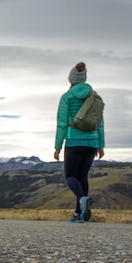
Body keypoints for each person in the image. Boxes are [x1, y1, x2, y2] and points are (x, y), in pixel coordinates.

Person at [54, 61, 105, 222]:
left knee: (70, 176)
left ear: (71, 79)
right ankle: (78, 214)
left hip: (74, 141)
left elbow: (62, 124)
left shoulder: (67, 97)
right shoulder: (95, 97)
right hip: (92, 142)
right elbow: (100, 123)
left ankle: (82, 200)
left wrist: (57, 147)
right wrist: (101, 145)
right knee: (83, 176)